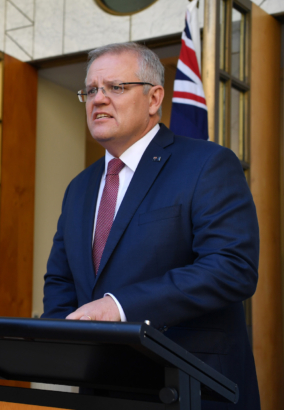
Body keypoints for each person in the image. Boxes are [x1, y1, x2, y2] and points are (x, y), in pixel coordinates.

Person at [42, 42, 260, 409]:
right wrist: (62, 337)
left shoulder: (207, 164)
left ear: (154, 97)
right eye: (91, 90)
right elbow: (61, 281)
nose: (99, 99)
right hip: (100, 388)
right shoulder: (79, 187)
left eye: (115, 87)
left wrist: (120, 306)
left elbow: (232, 267)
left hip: (190, 386)